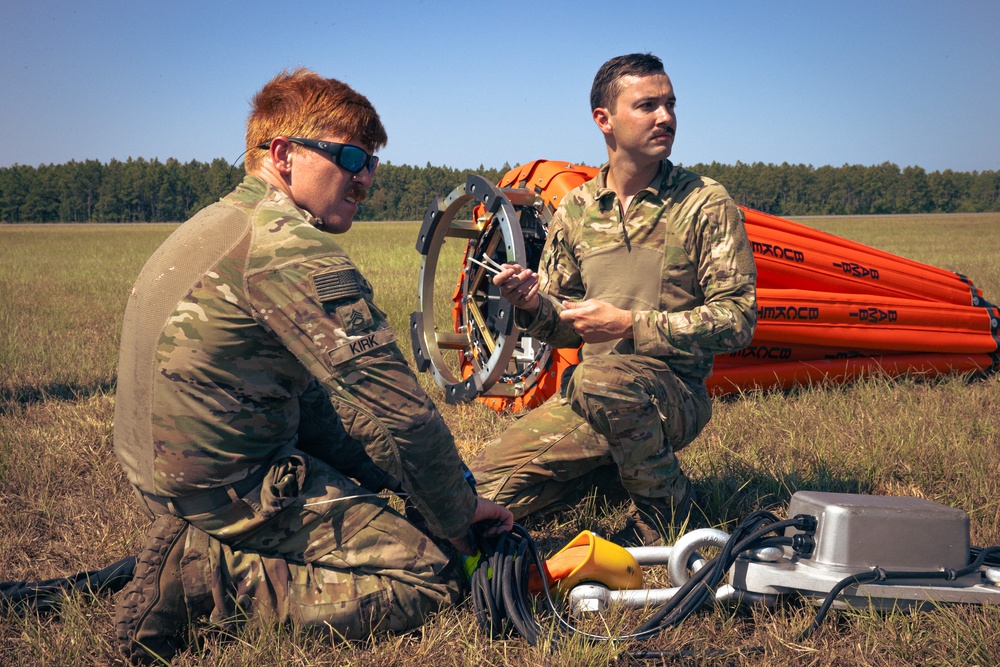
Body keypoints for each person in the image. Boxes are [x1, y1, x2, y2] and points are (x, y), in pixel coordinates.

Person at [113, 68, 513, 665]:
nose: (365, 178)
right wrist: (456, 515)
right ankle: (203, 575)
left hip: (162, 474)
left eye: (372, 162)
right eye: (349, 156)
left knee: (384, 476)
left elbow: (325, 411)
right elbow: (404, 413)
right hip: (223, 489)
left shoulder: (216, 222)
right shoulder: (288, 247)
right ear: (283, 154)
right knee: (432, 576)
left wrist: (402, 483)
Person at [469, 53, 757, 546]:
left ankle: (666, 508)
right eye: (647, 106)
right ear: (604, 119)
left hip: (672, 392)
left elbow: (738, 320)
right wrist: (532, 304)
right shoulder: (578, 209)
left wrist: (628, 324)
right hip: (589, 396)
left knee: (596, 376)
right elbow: (563, 323)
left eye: (669, 104)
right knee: (476, 492)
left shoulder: (703, 202)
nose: (665, 117)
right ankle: (607, 472)